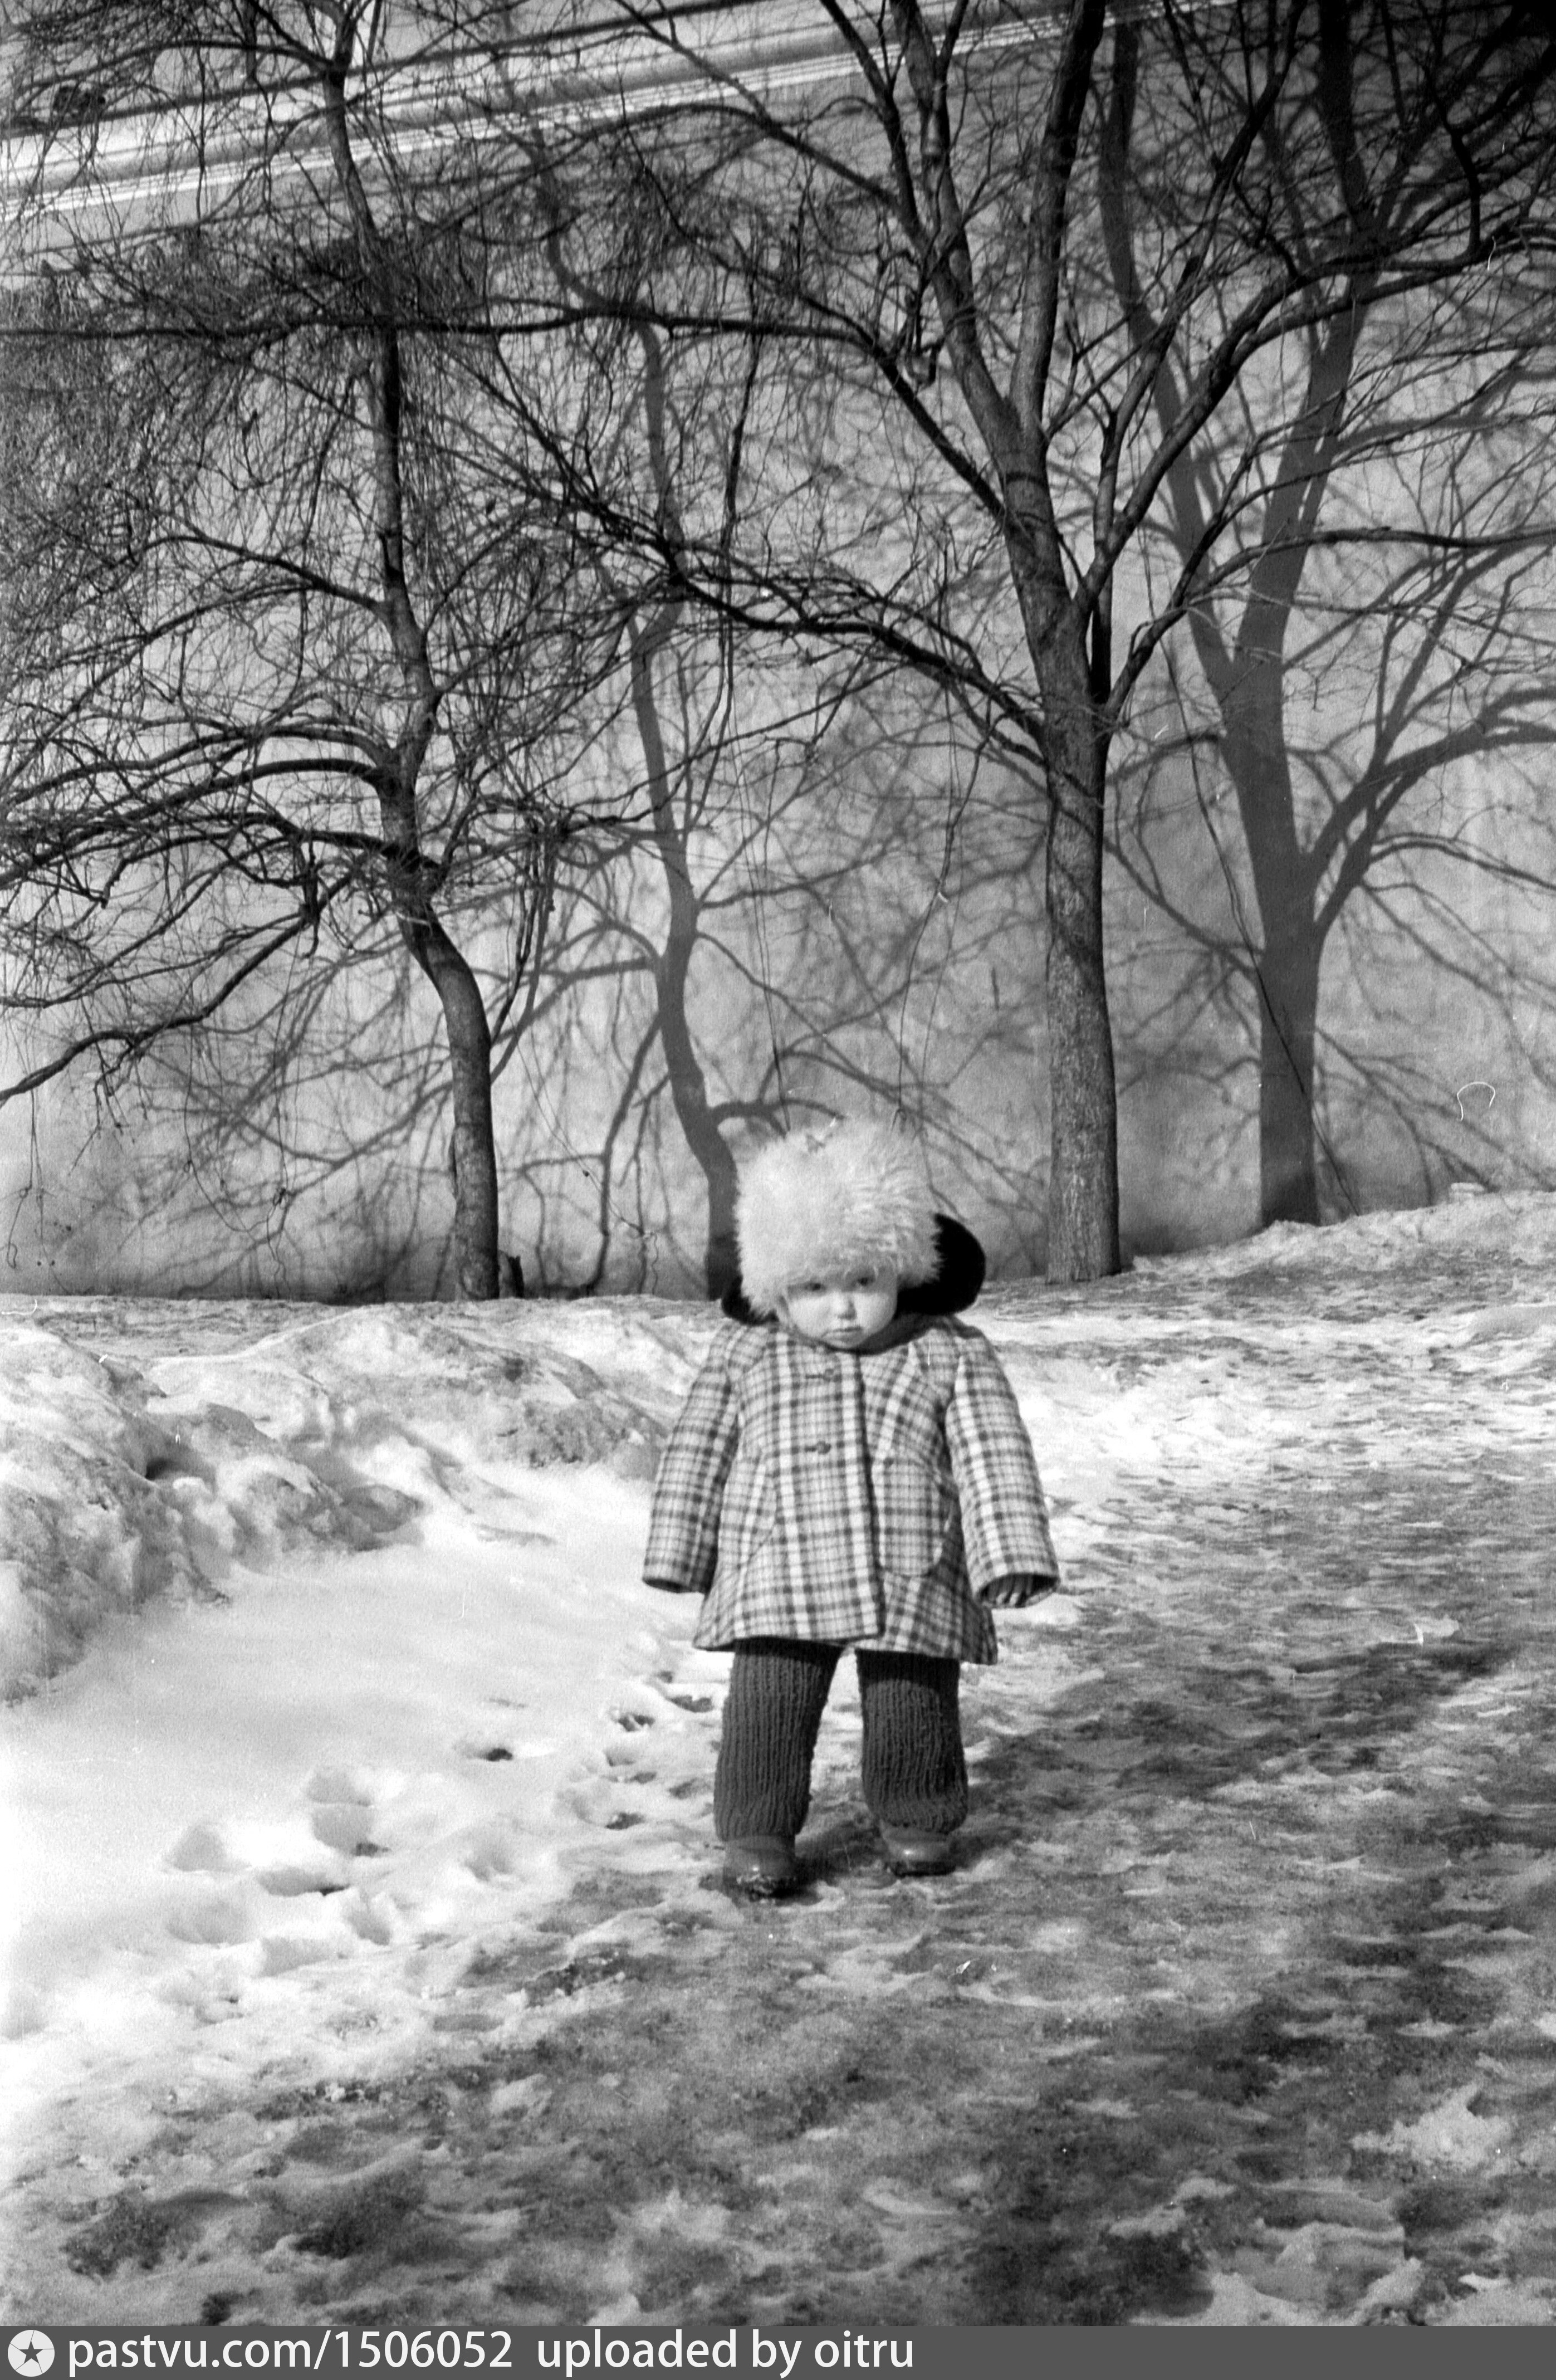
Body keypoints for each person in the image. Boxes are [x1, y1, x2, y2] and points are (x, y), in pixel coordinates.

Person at [643, 1116, 1059, 1898]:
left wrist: (1010, 1554)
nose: (841, 1309)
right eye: (813, 1288)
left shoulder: (946, 1350)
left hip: (911, 1559)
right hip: (777, 1560)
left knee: (913, 1697)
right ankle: (758, 1827)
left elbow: (992, 1452)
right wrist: (680, 1549)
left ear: (904, 1267)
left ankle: (917, 1815)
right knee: (769, 1700)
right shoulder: (747, 1352)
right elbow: (700, 1448)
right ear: (774, 1287)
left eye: (863, 1281)